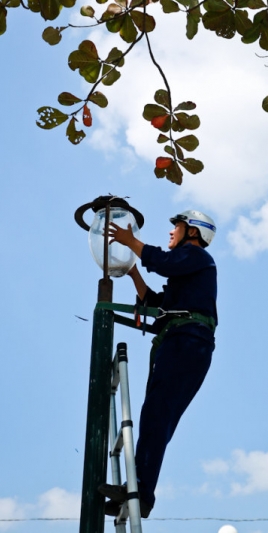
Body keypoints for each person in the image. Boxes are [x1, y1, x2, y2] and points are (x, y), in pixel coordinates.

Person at [99, 209, 217, 518]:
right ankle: (139, 489)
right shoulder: (186, 274)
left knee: (158, 414)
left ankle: (140, 489)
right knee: (154, 415)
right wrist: (133, 271)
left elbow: (164, 264)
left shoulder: (197, 257)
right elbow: (156, 305)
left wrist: (130, 241)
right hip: (178, 341)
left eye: (176, 227)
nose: (171, 233)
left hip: (187, 341)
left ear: (193, 233)